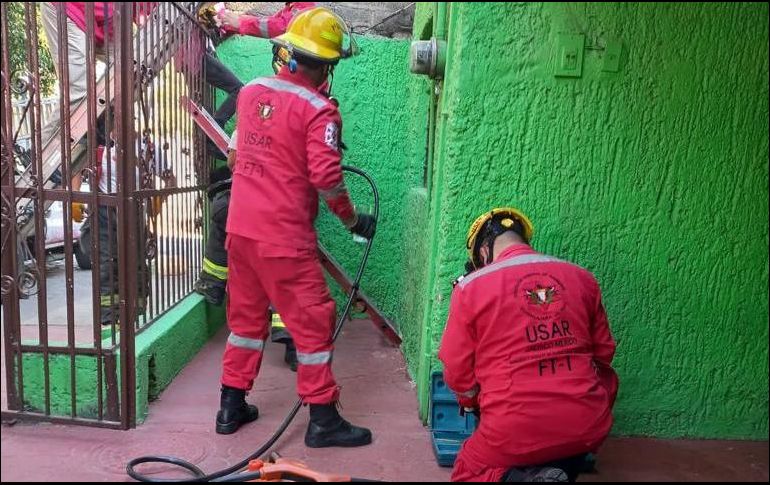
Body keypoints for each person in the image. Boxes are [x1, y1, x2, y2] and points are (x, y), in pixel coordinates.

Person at [215, 8, 375, 449]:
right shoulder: (320, 111)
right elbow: (326, 178)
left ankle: (231, 404)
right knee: (311, 324)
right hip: (284, 237)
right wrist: (352, 220)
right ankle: (323, 418)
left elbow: (235, 157)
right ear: (326, 66)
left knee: (246, 321)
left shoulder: (251, 93)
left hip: (241, 232)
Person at [439, 207, 619, 482]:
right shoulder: (582, 277)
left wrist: (473, 402)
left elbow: (457, 372)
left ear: (484, 252)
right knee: (565, 440)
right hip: (588, 424)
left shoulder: (470, 288)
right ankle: (553, 469)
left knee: (467, 472)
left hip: (512, 429)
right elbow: (604, 354)